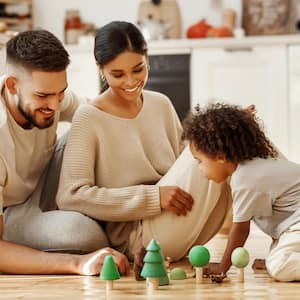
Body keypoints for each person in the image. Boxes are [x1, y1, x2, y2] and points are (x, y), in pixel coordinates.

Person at [56, 21, 232, 263]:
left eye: (138, 69)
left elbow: (189, 163)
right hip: (140, 238)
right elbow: (70, 196)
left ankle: (290, 228)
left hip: (184, 218)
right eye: (117, 74)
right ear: (101, 69)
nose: (130, 82)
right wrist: (153, 197)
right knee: (225, 133)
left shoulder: (161, 103)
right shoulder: (88, 117)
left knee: (235, 134)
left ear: (147, 57)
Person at [0, 29, 129, 275]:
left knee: (87, 124)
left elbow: (96, 112)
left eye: (60, 93)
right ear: (12, 85)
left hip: (42, 185)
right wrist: (77, 263)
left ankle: (121, 227)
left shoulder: (52, 95)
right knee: (83, 234)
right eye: (43, 96)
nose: (55, 105)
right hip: (9, 215)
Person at [183, 102, 300, 282]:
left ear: (220, 157)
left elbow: (240, 230)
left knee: (280, 266)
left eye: (199, 161)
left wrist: (223, 267)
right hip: (293, 224)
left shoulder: (244, 178)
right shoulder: (257, 163)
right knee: (276, 257)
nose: (199, 168)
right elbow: (278, 217)